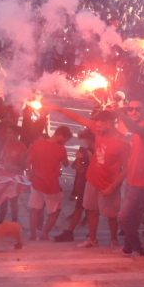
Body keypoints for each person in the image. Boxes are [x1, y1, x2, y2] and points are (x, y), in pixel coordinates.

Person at [45, 106, 129, 248]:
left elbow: (128, 167)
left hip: (109, 184)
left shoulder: (122, 143)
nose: (97, 129)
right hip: (92, 179)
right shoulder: (99, 130)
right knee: (91, 210)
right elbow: (77, 117)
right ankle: (92, 238)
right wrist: (58, 109)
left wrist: (112, 187)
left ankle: (114, 240)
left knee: (111, 215)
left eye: (100, 126)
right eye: (96, 126)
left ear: (109, 124)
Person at [116, 100, 144, 256]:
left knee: (123, 218)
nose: (134, 112)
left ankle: (137, 248)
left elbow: (135, 128)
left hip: (142, 181)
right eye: (130, 109)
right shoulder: (136, 130)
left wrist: (120, 113)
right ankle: (128, 247)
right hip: (133, 179)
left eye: (137, 109)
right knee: (132, 217)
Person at [27, 126, 72, 240]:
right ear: (61, 136)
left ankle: (32, 235)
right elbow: (66, 164)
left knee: (35, 209)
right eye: (65, 140)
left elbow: (28, 160)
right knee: (56, 210)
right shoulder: (61, 149)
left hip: (36, 182)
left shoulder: (37, 142)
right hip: (51, 185)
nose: (65, 143)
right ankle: (44, 234)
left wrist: (29, 172)